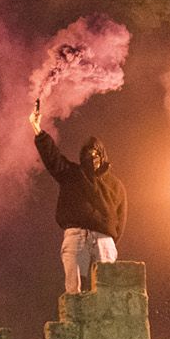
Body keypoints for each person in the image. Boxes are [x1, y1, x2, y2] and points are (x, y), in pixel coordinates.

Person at [31, 108, 127, 294]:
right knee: (74, 291)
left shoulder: (115, 185)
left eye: (96, 154)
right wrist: (37, 129)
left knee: (107, 290)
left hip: (103, 238)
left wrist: (110, 237)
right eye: (88, 153)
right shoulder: (72, 174)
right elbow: (53, 157)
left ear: (103, 156)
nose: (92, 157)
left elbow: (121, 217)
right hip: (76, 235)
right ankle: (76, 320)